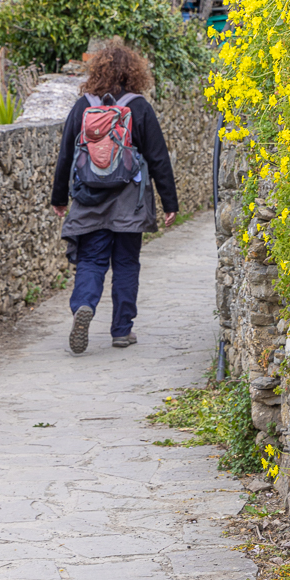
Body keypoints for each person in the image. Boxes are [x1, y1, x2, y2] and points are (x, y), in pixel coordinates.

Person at [51, 40, 178, 353]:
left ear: (97, 71)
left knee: (91, 261)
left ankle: (84, 305)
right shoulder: (138, 107)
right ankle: (122, 330)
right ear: (134, 73)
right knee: (125, 264)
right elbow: (159, 158)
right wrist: (169, 203)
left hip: (88, 199)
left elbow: (66, 154)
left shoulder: (84, 106)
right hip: (129, 202)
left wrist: (59, 198)